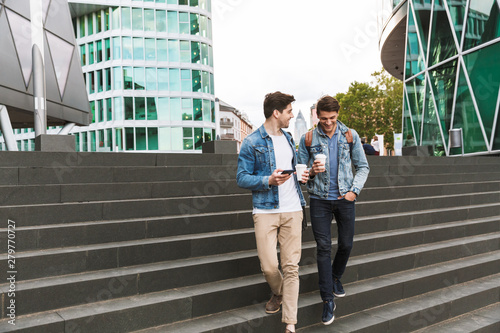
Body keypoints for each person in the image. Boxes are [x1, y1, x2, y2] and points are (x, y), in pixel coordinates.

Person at [237, 91, 308, 333]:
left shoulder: (289, 138)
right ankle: (278, 291)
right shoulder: (251, 142)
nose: (291, 115)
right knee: (269, 266)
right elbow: (242, 178)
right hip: (265, 210)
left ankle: (290, 323)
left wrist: (303, 176)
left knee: (291, 267)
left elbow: (292, 171)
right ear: (276, 113)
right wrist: (268, 180)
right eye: (289, 111)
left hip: (293, 209)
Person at [298, 96, 369, 325]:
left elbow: (363, 167)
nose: (328, 123)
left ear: (338, 114)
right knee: (323, 249)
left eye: (332, 118)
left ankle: (336, 276)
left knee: (346, 244)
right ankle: (328, 299)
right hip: (319, 199)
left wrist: (354, 191)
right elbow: (300, 175)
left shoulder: (350, 135)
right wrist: (311, 171)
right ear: (317, 115)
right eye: (324, 118)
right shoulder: (308, 138)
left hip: (345, 198)